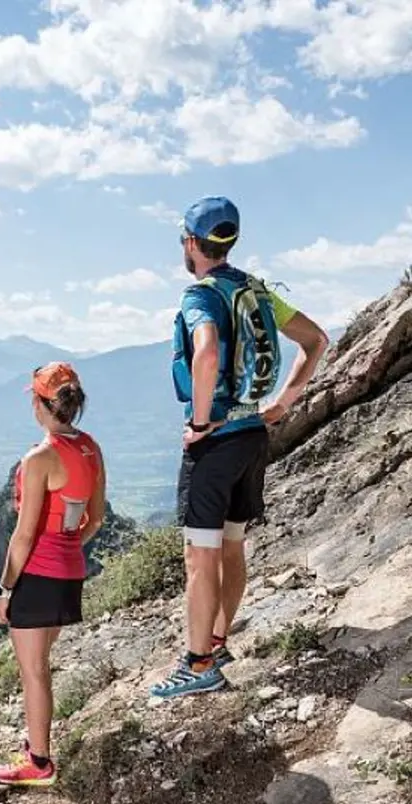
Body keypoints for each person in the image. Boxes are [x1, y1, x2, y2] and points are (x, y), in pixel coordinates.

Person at [151, 196, 329, 700]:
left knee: (200, 557)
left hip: (218, 444)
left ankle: (198, 664)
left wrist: (204, 422)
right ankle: (217, 641)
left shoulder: (199, 296)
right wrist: (281, 405)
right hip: (254, 437)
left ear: (191, 242)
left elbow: (205, 352)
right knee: (232, 546)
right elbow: (316, 340)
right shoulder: (258, 291)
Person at [0, 363, 106, 787]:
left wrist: (4, 591)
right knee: (38, 664)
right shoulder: (90, 448)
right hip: (69, 572)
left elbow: (22, 537)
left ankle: (38, 762)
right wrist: (67, 546)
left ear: (40, 403)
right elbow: (95, 519)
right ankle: (35, 742)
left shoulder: (39, 459)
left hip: (37, 573)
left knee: (33, 669)